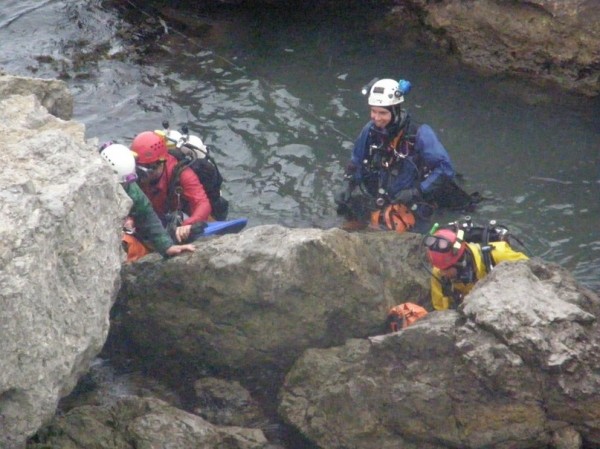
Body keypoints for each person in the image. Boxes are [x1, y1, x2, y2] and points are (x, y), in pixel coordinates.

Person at [334, 78, 470, 233]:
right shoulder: (369, 131)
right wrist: (348, 183)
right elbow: (356, 161)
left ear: (396, 110)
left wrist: (417, 191)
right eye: (373, 111)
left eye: (382, 113)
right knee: (345, 204)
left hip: (411, 198)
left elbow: (445, 169)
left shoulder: (420, 134)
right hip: (383, 194)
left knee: (403, 228)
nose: (376, 118)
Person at [99, 142, 195, 262]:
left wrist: (167, 246)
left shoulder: (129, 187)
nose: (123, 187)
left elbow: (145, 212)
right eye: (121, 184)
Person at [131, 131, 212, 243]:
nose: (144, 176)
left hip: (177, 217)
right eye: (140, 169)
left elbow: (203, 203)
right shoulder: (132, 174)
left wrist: (188, 225)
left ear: (161, 163)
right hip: (151, 216)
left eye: (149, 169)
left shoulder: (182, 174)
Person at [424, 227, 528, 310]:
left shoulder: (499, 254)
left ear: (460, 262)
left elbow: (532, 268)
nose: (441, 273)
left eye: (446, 270)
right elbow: (440, 310)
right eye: (440, 269)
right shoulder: (438, 272)